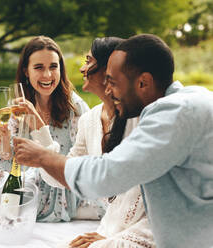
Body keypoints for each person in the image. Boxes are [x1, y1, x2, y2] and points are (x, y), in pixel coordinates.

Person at [13, 34, 213, 248]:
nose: (109, 90)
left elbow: (108, 176)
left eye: (113, 82)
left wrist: (42, 156)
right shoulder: (185, 101)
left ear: (143, 82)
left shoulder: (172, 114)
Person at [0, 35, 99, 222]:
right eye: (39, 67)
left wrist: (37, 124)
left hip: (65, 190)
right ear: (26, 71)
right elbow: (14, 164)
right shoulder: (19, 107)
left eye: (53, 67)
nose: (47, 75)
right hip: (31, 182)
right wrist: (4, 142)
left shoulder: (76, 108)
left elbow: (78, 165)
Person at [66, 37, 154, 248]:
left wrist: (115, 239)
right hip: (110, 229)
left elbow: (157, 200)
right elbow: (66, 175)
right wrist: (38, 138)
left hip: (146, 233)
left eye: (88, 61)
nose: (81, 68)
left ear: (110, 70)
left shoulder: (143, 120)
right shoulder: (89, 121)